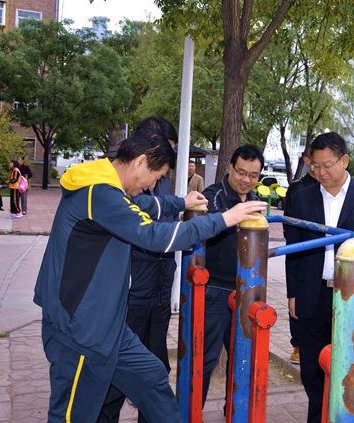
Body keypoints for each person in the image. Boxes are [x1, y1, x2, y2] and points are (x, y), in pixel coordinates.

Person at [33, 129, 266, 422]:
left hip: (107, 326)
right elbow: (155, 236)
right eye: (156, 177)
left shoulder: (106, 188)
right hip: (79, 328)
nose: (152, 185)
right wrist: (225, 219)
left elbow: (141, 206)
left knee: (152, 377)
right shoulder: (98, 193)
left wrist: (180, 203)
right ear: (140, 162)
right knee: (73, 414)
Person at [284, 132, 354, 423]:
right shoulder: (302, 198)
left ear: (344, 160)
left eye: (327, 165)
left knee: (350, 366)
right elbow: (293, 250)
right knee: (311, 369)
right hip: (312, 294)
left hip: (353, 297)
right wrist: (292, 294)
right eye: (315, 166)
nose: (321, 172)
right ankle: (318, 416)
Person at [98, 116, 183, 422]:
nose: (160, 175)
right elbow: (151, 233)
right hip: (130, 297)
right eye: (164, 151)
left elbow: (167, 221)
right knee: (114, 381)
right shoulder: (115, 186)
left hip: (159, 294)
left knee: (155, 372)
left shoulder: (163, 179)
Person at [201, 144, 264, 406]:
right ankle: (192, 412)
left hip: (246, 291)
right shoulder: (213, 195)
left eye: (253, 175)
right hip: (216, 290)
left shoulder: (256, 200)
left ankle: (234, 411)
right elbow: (212, 221)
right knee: (205, 358)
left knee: (243, 359)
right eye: (241, 172)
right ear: (230, 168)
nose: (246, 179)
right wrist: (234, 217)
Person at [283, 152, 319, 365]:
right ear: (308, 161)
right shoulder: (298, 188)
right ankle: (297, 344)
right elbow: (289, 222)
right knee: (296, 298)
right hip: (301, 248)